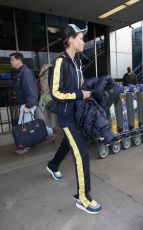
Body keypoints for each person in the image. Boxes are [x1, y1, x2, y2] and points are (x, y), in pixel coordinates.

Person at [46, 24, 102, 214]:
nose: (83, 42)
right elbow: (56, 93)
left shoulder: (77, 62)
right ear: (70, 40)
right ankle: (83, 198)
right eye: (80, 38)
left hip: (77, 113)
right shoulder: (61, 62)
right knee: (82, 154)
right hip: (66, 116)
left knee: (69, 143)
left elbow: (79, 87)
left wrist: (90, 91)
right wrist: (80, 95)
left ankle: (53, 165)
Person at [10, 52, 38, 154]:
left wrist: (29, 105)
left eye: (12, 59)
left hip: (27, 103)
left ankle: (26, 146)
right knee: (32, 123)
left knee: (23, 126)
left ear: (18, 60)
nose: (10, 62)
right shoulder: (20, 72)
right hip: (25, 103)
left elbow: (31, 89)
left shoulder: (25, 72)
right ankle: (50, 132)